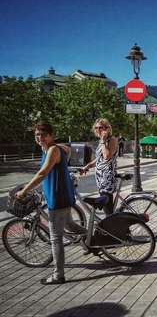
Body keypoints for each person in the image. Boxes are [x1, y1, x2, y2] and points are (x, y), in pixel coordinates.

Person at [15, 122, 87, 285]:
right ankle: (93, 239)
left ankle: (58, 275)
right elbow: (67, 150)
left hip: (58, 199)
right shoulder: (48, 149)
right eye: (37, 135)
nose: (39, 138)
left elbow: (42, 173)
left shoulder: (53, 150)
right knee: (71, 226)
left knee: (56, 239)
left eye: (43, 134)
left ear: (52, 134)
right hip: (62, 196)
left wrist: (24, 190)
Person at [80, 118, 118, 216]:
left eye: (101, 128)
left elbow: (106, 157)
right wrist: (88, 166)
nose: (98, 130)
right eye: (96, 128)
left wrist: (103, 141)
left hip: (107, 178)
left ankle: (114, 229)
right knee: (107, 208)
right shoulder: (102, 141)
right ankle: (115, 228)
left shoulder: (112, 140)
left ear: (107, 128)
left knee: (107, 209)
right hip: (100, 178)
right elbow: (99, 158)